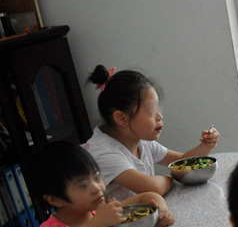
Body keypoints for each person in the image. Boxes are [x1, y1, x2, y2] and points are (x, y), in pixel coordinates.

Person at [32, 141, 174, 227]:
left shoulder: (97, 212)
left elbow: (148, 196)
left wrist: (161, 212)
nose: (97, 188)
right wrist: (98, 223)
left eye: (97, 177)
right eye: (82, 186)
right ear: (55, 200)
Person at [83, 65, 219, 200]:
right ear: (122, 118)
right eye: (152, 112)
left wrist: (206, 146)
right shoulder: (104, 153)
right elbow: (153, 187)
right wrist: (171, 178)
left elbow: (182, 162)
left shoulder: (139, 140)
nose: (160, 116)